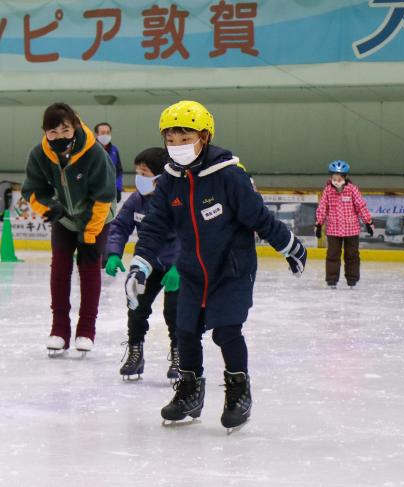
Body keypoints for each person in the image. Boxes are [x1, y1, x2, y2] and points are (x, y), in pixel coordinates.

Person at [124, 100, 307, 432]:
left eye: (185, 138)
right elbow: (153, 226)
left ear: (204, 137)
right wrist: (139, 265)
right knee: (186, 331)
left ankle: (238, 391)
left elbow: (258, 217)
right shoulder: (168, 181)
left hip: (231, 270)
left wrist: (289, 245)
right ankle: (190, 390)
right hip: (192, 270)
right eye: (171, 139)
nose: (177, 146)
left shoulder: (228, 176)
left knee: (226, 331)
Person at [21, 103, 117, 355]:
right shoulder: (39, 154)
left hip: (96, 218)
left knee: (88, 270)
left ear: (74, 126)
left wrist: (89, 234)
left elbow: (104, 196)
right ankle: (59, 329)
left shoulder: (94, 153)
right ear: (45, 132)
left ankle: (86, 330)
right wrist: (50, 209)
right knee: (60, 269)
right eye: (52, 132)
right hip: (64, 218)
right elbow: (32, 190)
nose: (59, 137)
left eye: (64, 130)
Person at [105, 147, 180, 380]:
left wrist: (180, 266)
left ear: (160, 178)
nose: (139, 179)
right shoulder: (136, 201)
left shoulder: (177, 202)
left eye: (144, 174)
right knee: (136, 305)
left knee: (174, 313)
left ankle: (180, 355)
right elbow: (119, 227)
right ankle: (136, 351)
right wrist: (113, 252)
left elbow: (189, 236)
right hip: (149, 263)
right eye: (137, 172)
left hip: (178, 267)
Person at [314, 160, 374, 289]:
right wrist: (318, 224)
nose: (337, 180)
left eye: (339, 178)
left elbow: (361, 207)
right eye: (334, 178)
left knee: (352, 256)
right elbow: (322, 208)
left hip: (351, 230)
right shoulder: (328, 191)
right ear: (330, 177)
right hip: (333, 231)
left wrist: (368, 222)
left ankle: (352, 280)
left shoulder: (352, 190)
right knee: (332, 255)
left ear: (345, 177)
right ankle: (332, 280)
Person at [94, 122, 123, 202]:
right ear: (96, 134)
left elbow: (119, 171)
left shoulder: (114, 150)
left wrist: (118, 187)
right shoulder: (90, 150)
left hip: (112, 191)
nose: (105, 135)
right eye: (102, 133)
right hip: (94, 192)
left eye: (108, 132)